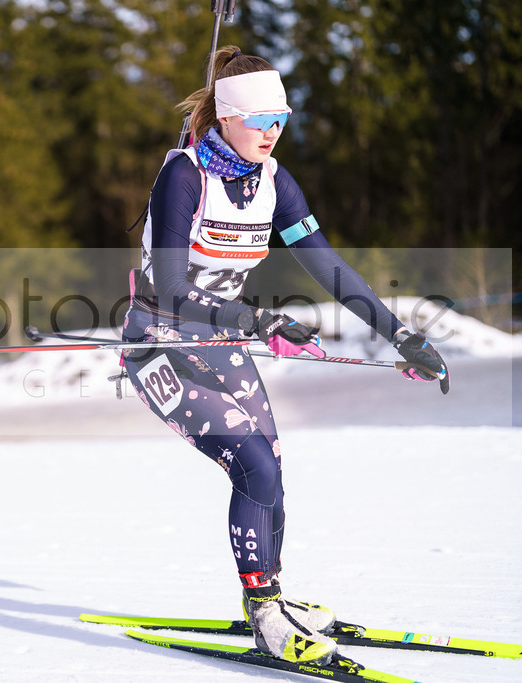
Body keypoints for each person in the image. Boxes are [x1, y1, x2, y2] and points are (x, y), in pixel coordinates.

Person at [120, 46, 449, 665]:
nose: (272, 132)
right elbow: (170, 285)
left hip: (221, 344)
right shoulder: (184, 177)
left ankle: (269, 599)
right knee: (254, 465)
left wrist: (399, 334)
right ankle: (267, 616)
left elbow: (328, 265)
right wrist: (259, 320)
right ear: (227, 117)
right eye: (259, 120)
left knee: (268, 467)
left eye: (281, 120)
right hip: (160, 345)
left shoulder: (275, 182)